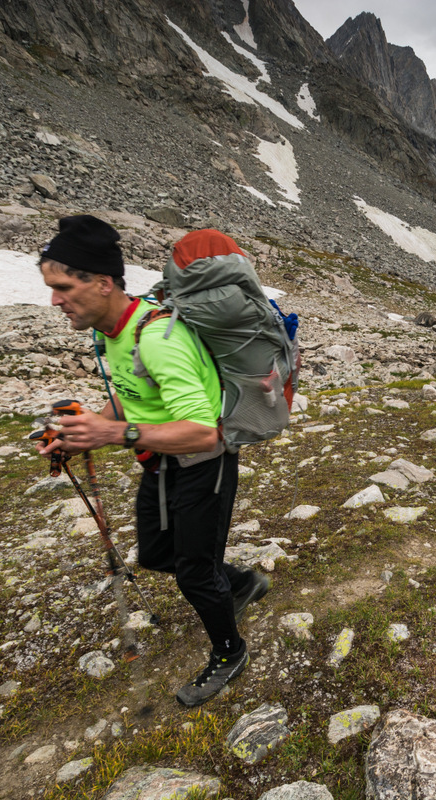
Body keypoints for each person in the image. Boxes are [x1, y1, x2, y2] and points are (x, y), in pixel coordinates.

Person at [34, 215, 269, 707]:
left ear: (102, 283)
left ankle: (230, 652)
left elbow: (203, 429)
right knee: (157, 555)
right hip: (160, 461)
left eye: (62, 286)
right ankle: (244, 582)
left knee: (194, 572)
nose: (55, 300)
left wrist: (112, 432)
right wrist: (83, 435)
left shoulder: (158, 339)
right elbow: (130, 397)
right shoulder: (109, 333)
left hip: (204, 462)